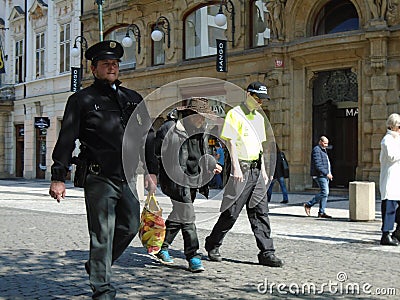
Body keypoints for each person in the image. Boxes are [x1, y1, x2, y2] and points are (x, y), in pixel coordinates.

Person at [49, 40, 158, 299]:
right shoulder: (81, 99)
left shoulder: (133, 99)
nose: (112, 67)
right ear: (93, 68)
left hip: (129, 177)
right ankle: (103, 289)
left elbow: (148, 136)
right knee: (102, 233)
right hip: (99, 177)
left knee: (130, 227)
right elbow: (66, 139)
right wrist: (58, 176)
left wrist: (152, 171)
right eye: (106, 63)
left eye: (116, 63)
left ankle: (98, 265)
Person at [205, 81, 283, 268]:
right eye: (258, 98)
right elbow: (230, 142)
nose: (260, 103)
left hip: (256, 170)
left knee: (260, 212)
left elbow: (260, 147)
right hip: (241, 168)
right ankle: (213, 244)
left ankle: (267, 252)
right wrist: (236, 167)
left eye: (263, 100)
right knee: (231, 212)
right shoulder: (235, 113)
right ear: (248, 94)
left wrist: (264, 169)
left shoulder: (259, 118)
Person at [155, 97, 222, 272]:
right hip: (175, 180)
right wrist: (152, 176)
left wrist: (211, 165)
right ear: (189, 114)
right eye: (201, 116)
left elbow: (202, 153)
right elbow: (154, 154)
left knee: (179, 215)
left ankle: (162, 246)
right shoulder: (169, 128)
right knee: (188, 217)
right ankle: (193, 256)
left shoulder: (202, 130)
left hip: (194, 179)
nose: (203, 120)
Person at [379, 113, 400, 246]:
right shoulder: (387, 140)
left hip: (397, 179)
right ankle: (385, 235)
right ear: (393, 126)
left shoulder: (397, 139)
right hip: (390, 180)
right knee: (389, 208)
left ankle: (398, 232)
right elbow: (392, 156)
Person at [303, 136, 333, 218]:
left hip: (324, 175)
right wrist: (327, 173)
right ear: (320, 142)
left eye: (327, 143)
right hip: (320, 175)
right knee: (325, 192)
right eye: (325, 143)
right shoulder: (317, 150)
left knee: (325, 194)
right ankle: (308, 204)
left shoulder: (323, 150)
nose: (326, 145)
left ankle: (321, 212)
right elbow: (318, 164)